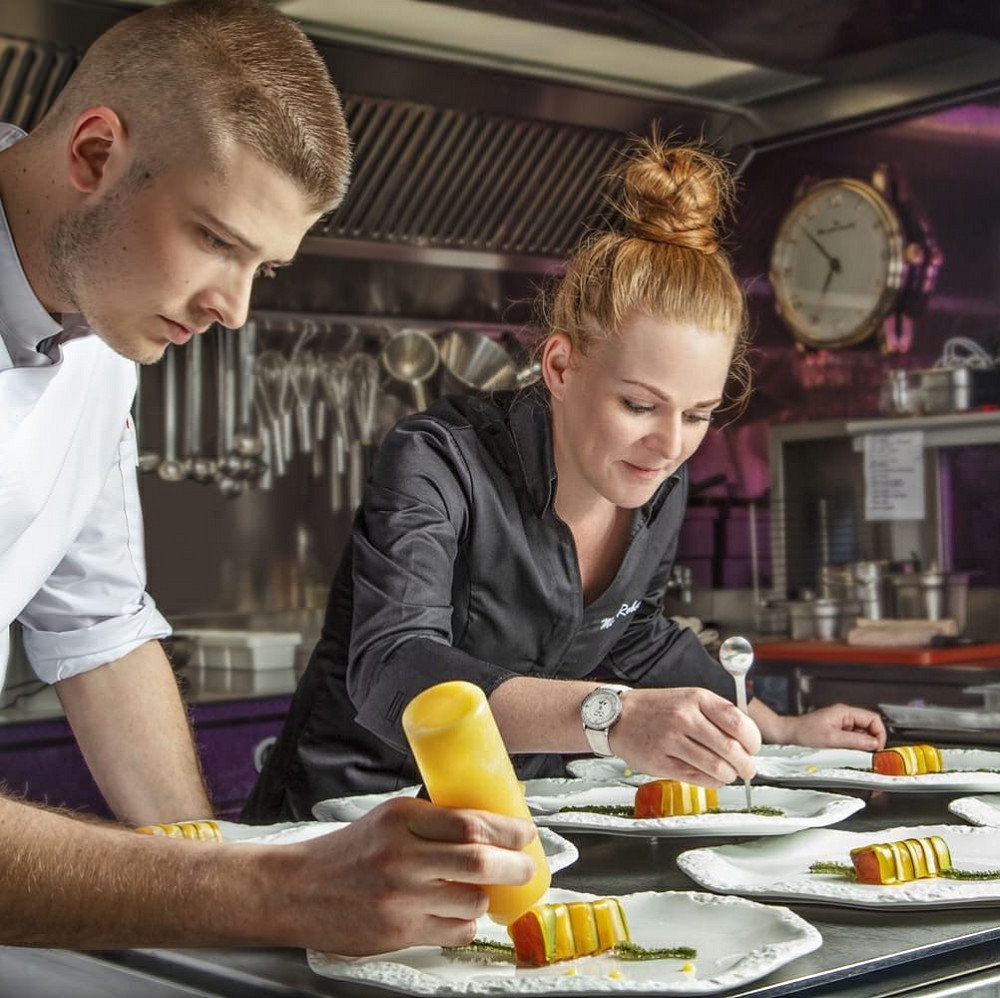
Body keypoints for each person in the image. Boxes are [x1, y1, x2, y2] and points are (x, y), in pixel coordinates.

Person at [0, 0, 536, 954]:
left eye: (265, 268)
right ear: (94, 154)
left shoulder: (103, 333)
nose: (235, 309)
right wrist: (258, 894)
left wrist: (219, 878)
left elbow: (100, 631)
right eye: (216, 239)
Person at [245, 136, 887, 823]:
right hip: (355, 813)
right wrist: (611, 716)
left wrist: (776, 726)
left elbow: (637, 634)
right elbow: (393, 666)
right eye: (638, 404)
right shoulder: (438, 460)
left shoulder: (656, 482)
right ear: (559, 366)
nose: (670, 444)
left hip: (519, 816)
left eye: (698, 414)